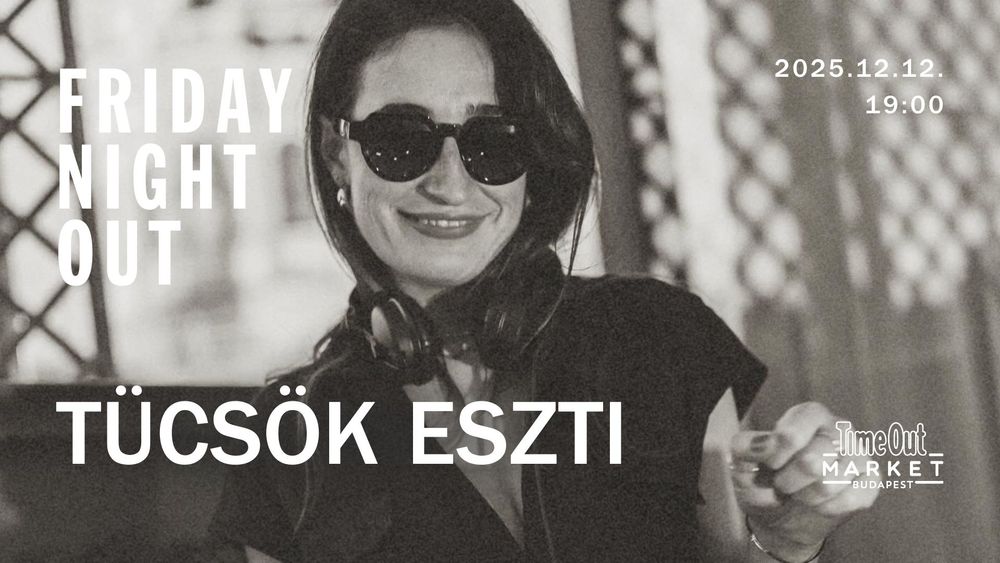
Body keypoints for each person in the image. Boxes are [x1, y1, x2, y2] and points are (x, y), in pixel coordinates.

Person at [209, 0, 878, 560]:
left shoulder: (658, 334)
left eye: (491, 141)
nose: (449, 184)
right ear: (336, 153)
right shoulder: (286, 438)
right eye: (401, 140)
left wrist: (788, 537)